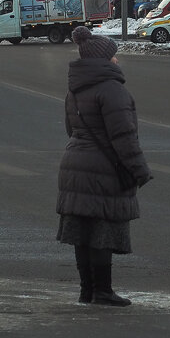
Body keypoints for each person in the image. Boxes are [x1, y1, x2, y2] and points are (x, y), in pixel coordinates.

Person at [57, 26, 152, 307]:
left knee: (82, 232)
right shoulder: (112, 90)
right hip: (102, 169)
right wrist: (139, 170)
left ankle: (87, 291)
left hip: (74, 164)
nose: (116, 61)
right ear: (102, 60)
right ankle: (104, 291)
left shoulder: (74, 89)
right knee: (102, 230)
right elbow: (123, 138)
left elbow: (69, 129)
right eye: (113, 56)